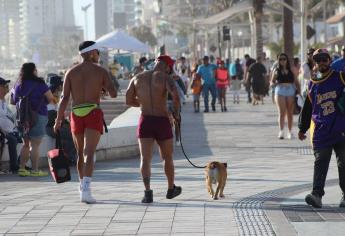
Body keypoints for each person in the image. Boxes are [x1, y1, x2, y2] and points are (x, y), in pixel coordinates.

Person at [54, 41, 117, 203]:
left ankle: (82, 186)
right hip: (93, 112)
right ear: (91, 53)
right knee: (89, 153)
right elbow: (114, 93)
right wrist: (104, 85)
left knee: (80, 153)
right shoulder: (100, 71)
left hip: (76, 114)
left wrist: (58, 119)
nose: (99, 56)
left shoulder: (71, 72)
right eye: (97, 53)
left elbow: (64, 98)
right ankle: (87, 190)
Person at [126, 55, 182, 203]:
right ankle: (170, 189)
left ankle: (148, 192)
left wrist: (143, 104)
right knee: (167, 157)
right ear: (168, 67)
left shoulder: (137, 77)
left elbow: (128, 99)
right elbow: (176, 97)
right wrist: (176, 115)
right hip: (162, 120)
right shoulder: (165, 78)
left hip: (145, 120)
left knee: (145, 158)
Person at [298, 48, 345, 208]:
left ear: (329, 61)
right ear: (315, 63)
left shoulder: (340, 77)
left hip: (341, 128)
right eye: (318, 60)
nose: (321, 63)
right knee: (320, 162)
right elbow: (308, 107)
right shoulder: (312, 83)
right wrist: (302, 128)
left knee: (343, 163)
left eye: (324, 59)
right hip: (321, 130)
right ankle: (316, 195)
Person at [12, 63, 55, 177]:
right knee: (35, 144)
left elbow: (13, 101)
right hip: (38, 115)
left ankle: (22, 169)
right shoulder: (40, 84)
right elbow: (50, 98)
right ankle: (35, 170)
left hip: (23, 118)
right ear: (33, 71)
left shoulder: (18, 84)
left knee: (25, 144)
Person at [46, 75, 77, 165]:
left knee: (72, 135)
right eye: (61, 85)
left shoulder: (55, 97)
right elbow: (50, 117)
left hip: (57, 125)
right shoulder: (49, 98)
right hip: (50, 127)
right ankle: (70, 158)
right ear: (58, 86)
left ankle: (70, 157)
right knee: (72, 136)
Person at [270, 53, 300, 139]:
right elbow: (271, 82)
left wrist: (299, 92)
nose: (282, 61)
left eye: (284, 59)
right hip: (280, 90)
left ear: (287, 60)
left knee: (290, 113)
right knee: (282, 112)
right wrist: (273, 83)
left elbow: (296, 81)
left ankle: (290, 132)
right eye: (280, 59)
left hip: (291, 90)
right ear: (278, 60)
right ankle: (281, 131)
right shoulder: (276, 70)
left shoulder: (292, 69)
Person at [0, 77, 19, 174]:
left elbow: (9, 117)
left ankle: (17, 165)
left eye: (7, 86)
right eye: (4, 86)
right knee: (12, 139)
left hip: (8, 131)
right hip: (2, 132)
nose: (7, 89)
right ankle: (14, 166)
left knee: (16, 138)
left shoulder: (3, 102)